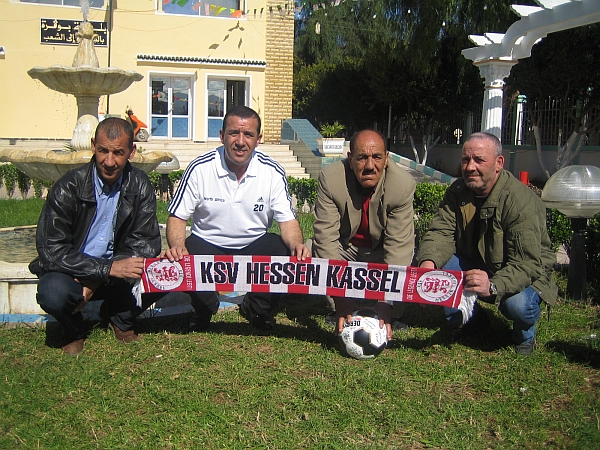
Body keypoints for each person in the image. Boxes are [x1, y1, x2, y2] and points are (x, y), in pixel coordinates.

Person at [164, 105, 310, 331]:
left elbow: (288, 221)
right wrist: (177, 245)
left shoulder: (272, 171)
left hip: (253, 244)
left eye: (248, 134)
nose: (241, 141)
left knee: (282, 250)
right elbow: (177, 217)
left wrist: (297, 245)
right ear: (222, 136)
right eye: (234, 133)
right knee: (185, 252)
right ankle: (204, 308)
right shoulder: (200, 168)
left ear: (258, 139)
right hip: (208, 245)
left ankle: (256, 309)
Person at [416, 132, 557, 355]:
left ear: (499, 163)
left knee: (518, 306)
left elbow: (528, 264)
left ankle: (523, 336)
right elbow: (441, 232)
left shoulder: (520, 201)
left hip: (523, 273)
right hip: (480, 263)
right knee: (441, 271)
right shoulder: (458, 191)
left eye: (479, 160)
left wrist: (493, 285)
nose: (470, 167)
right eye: (465, 159)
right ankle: (469, 321)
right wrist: (428, 264)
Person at [29, 117, 162, 356]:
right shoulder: (68, 186)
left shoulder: (140, 184)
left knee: (166, 273)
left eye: (118, 153)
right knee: (53, 293)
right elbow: (51, 250)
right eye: (103, 151)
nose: (109, 161)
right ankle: (73, 329)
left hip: (115, 275)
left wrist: (98, 277)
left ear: (131, 152)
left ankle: (119, 316)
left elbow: (145, 243)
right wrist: (102, 270)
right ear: (93, 146)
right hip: (74, 273)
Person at [312, 129, 416, 340]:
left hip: (380, 250)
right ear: (350, 159)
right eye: (362, 158)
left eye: (377, 157)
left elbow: (398, 248)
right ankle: (339, 307)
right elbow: (326, 238)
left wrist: (386, 303)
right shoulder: (331, 179)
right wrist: (339, 297)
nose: (370, 166)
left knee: (406, 262)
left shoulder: (402, 186)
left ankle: (391, 311)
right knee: (313, 247)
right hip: (346, 249)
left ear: (386, 159)